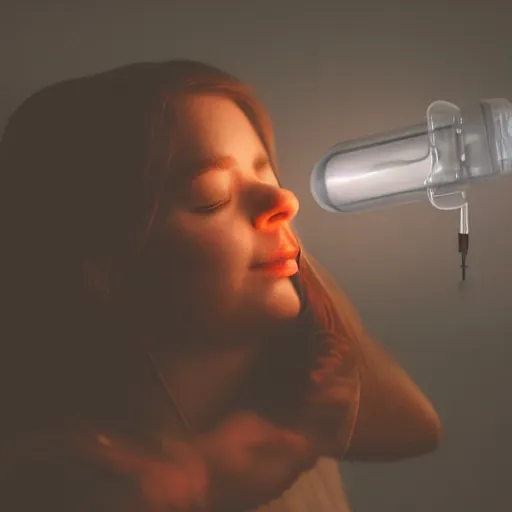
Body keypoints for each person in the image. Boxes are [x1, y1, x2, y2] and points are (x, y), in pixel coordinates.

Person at [0, 60, 441, 512]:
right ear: (104, 267)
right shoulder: (68, 478)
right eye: (212, 198)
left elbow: (417, 427)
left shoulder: (285, 400)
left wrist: (285, 251)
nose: (285, 200)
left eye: (266, 173)